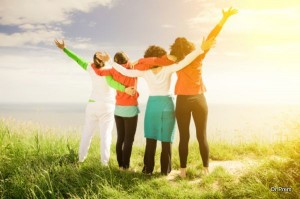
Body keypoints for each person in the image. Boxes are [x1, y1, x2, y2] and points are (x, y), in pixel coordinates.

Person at [111, 38, 215, 175]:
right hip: (167, 104)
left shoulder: (144, 72)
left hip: (153, 105)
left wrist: (111, 62)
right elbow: (187, 60)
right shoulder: (169, 68)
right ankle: (165, 171)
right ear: (160, 56)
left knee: (151, 138)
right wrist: (200, 49)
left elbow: (125, 72)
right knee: (166, 139)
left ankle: (148, 170)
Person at [169, 7, 238, 177]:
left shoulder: (176, 61)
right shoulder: (198, 55)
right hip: (199, 99)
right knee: (202, 135)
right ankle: (206, 169)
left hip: (182, 101)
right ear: (190, 46)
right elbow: (212, 36)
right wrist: (224, 18)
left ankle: (183, 172)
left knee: (183, 137)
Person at [54, 39, 135, 166]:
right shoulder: (109, 68)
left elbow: (76, 58)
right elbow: (112, 82)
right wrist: (125, 89)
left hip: (92, 105)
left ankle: (81, 159)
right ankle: (104, 164)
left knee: (87, 133)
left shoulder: (90, 67)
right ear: (103, 58)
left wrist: (64, 49)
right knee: (106, 136)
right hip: (107, 106)